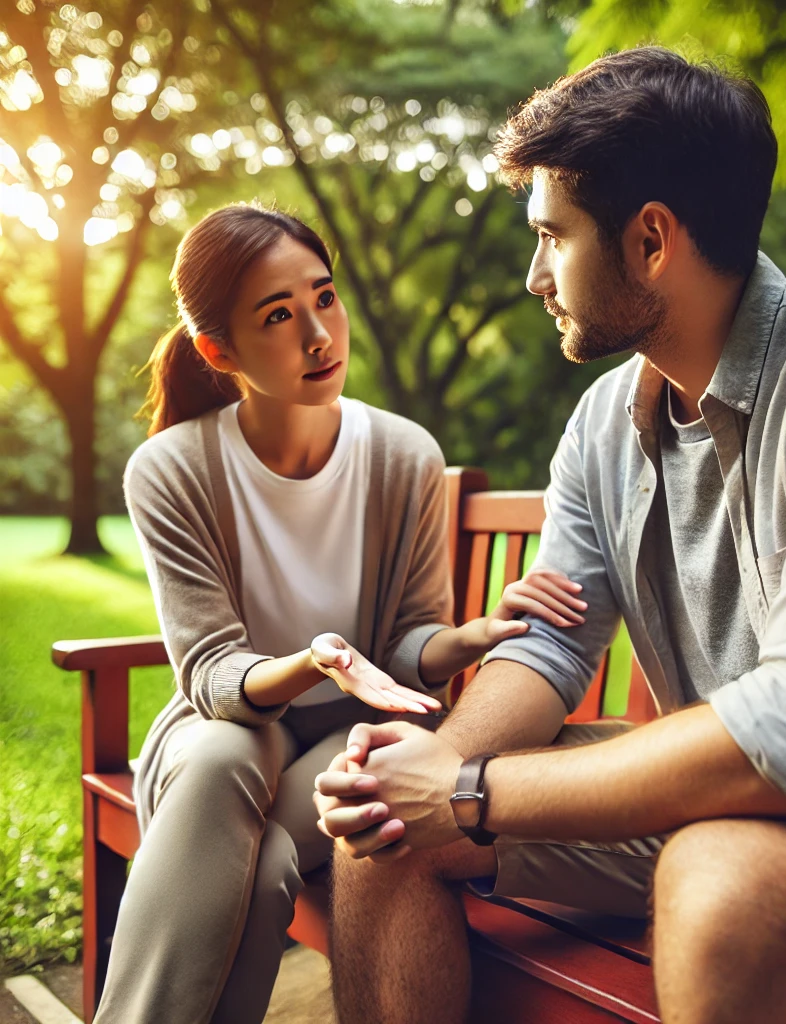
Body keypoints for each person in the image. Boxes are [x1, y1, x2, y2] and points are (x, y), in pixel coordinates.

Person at [314, 48, 786, 1024]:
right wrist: (426, 769)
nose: (533, 277)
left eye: (552, 238)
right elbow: (551, 640)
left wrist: (472, 790)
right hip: (721, 789)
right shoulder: (606, 421)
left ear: (650, 240)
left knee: (725, 880)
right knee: (386, 834)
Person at [93, 202, 585, 1024]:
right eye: (279, 316)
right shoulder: (170, 470)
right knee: (223, 760)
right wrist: (315, 659)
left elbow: (406, 643)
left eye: (325, 297)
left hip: (346, 735)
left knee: (263, 858)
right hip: (219, 732)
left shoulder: (402, 455)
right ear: (220, 350)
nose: (319, 334)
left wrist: (468, 637)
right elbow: (212, 674)